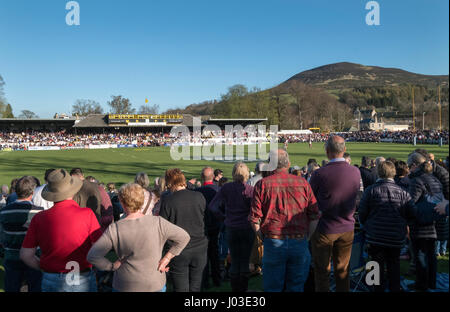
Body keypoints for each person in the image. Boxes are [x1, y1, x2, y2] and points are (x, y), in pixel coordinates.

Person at [87, 183, 190, 292]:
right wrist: (167, 258)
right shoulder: (158, 222)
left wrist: (111, 266)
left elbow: (93, 256)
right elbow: (184, 237)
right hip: (153, 283)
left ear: (122, 202)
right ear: (142, 201)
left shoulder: (116, 228)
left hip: (125, 284)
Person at [20, 169, 102, 292]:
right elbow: (100, 249)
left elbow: (26, 255)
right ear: (73, 191)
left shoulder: (39, 218)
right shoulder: (87, 214)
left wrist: (45, 268)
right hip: (81, 276)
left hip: (52, 278)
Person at [249, 149, 320, 292]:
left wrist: (260, 236)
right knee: (296, 287)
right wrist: (307, 238)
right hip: (296, 241)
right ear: (288, 164)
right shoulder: (303, 183)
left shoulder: (263, 185)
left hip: (274, 241)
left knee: (273, 288)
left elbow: (254, 218)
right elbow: (314, 215)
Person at [309, 135, 361, 292]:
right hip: (347, 227)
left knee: (322, 271)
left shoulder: (319, 174)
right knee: (342, 270)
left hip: (325, 228)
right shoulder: (355, 171)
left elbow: (310, 201)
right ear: (344, 150)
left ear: (327, 151)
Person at [358, 161, 415, 292]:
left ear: (379, 172)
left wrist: (367, 226)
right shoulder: (403, 192)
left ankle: (377, 289)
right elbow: (412, 213)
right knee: (393, 265)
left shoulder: (370, 190)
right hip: (395, 236)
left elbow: (362, 213)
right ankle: (393, 288)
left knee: (375, 266)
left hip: (375, 236)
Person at [159, 168, 208, 292]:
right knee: (195, 286)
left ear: (169, 183)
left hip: (178, 249)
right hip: (198, 247)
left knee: (181, 288)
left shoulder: (168, 201)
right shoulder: (199, 196)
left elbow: (162, 228)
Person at [210, 162, 255, 292]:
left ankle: (236, 290)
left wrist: (223, 218)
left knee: (235, 260)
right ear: (246, 174)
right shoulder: (250, 190)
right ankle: (243, 290)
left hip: (232, 228)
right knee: (245, 260)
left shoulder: (226, 188)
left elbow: (213, 206)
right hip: (246, 228)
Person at [0, 176, 44, 292]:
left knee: (12, 288)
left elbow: (1, 235)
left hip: (11, 255)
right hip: (34, 257)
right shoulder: (39, 211)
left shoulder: (4, 211)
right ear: (32, 192)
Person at [407, 152, 443, 291]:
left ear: (415, 165)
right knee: (431, 255)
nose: (409, 169)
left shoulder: (417, 180)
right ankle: (431, 283)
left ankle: (422, 285)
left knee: (420, 256)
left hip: (420, 223)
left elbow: (411, 203)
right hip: (433, 221)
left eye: (410, 166)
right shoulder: (434, 179)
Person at [195, 167, 221, 288]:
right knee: (214, 253)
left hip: (202, 226)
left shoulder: (197, 191)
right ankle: (217, 279)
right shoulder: (218, 190)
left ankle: (205, 281)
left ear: (202, 177)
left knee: (204, 254)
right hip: (215, 224)